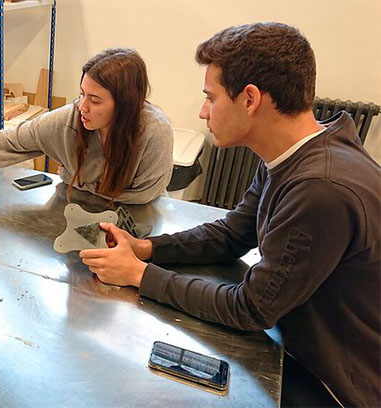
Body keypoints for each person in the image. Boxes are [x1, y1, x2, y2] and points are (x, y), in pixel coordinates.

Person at [79, 23, 380, 407]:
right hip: (303, 349)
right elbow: (233, 233)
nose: (203, 111)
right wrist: (147, 249)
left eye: (211, 97)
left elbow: (251, 308)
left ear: (250, 99)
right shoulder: (292, 157)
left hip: (334, 386)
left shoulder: (320, 189)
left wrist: (139, 275)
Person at [0, 48, 173, 205]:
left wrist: (79, 183)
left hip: (137, 219)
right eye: (82, 94)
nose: (82, 106)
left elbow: (143, 196)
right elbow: (11, 140)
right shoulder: (70, 119)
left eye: (95, 100)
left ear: (125, 104)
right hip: (74, 210)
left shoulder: (155, 132)